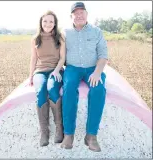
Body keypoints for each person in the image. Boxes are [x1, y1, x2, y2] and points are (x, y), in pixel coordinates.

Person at [61, 2, 108, 152]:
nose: (79, 15)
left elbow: (103, 55)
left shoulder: (96, 31)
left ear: (87, 14)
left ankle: (91, 135)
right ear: (71, 16)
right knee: (68, 88)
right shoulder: (65, 33)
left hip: (92, 68)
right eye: (76, 13)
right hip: (72, 68)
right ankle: (69, 134)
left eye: (82, 12)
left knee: (98, 89)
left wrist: (97, 72)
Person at [29, 10, 65, 147]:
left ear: (55, 23)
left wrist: (56, 70)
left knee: (52, 89)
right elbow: (33, 59)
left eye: (51, 21)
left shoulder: (60, 37)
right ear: (41, 22)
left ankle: (59, 129)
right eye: (45, 21)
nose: (48, 24)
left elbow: (62, 58)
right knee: (40, 92)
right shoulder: (35, 39)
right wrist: (30, 76)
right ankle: (44, 132)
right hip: (40, 71)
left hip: (56, 70)